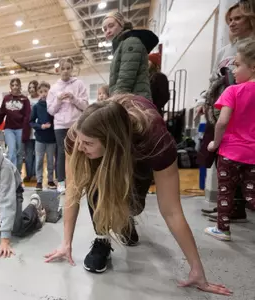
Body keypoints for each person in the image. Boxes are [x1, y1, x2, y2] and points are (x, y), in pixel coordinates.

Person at [44, 94, 231, 296]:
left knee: (133, 205)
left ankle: (125, 220)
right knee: (97, 184)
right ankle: (102, 239)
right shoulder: (78, 136)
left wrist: (197, 269)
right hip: (116, 135)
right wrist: (66, 243)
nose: (80, 147)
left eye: (87, 143)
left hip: (135, 146)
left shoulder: (155, 141)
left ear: (111, 142)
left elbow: (172, 210)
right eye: (80, 140)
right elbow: (73, 188)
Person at [197, 2, 255, 222]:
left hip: (245, 113)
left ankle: (235, 208)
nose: (232, 22)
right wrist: (204, 101)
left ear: (250, 19)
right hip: (223, 107)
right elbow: (213, 79)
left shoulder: (252, 49)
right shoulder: (225, 51)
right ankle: (227, 206)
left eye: (238, 18)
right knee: (222, 159)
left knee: (244, 164)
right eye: (230, 19)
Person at [204, 38, 255, 241]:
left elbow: (222, 122)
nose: (233, 71)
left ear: (252, 66)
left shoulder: (232, 91)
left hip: (229, 152)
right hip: (252, 154)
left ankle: (223, 230)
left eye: (237, 65)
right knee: (251, 194)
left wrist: (215, 143)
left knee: (226, 192)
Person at [47, 57, 88, 194]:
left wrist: (73, 98)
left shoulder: (79, 84)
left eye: (68, 68)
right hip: (59, 126)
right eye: (63, 68)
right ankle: (61, 181)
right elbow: (51, 110)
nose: (65, 71)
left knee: (79, 151)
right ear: (58, 70)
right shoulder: (53, 89)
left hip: (76, 124)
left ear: (72, 68)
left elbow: (85, 105)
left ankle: (78, 180)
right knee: (61, 153)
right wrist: (58, 100)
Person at [102, 12, 158, 99]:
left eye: (111, 26)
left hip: (133, 102)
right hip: (129, 100)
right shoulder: (120, 46)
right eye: (105, 29)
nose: (108, 31)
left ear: (122, 24)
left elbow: (126, 78)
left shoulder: (130, 42)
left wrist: (114, 101)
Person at [0, 78, 31, 168]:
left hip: (20, 129)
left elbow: (27, 116)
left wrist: (26, 131)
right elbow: (1, 113)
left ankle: (18, 174)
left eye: (17, 85)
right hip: (9, 129)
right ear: (10, 87)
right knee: (12, 151)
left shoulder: (25, 99)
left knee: (20, 152)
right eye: (13, 85)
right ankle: (12, 174)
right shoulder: (6, 98)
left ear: (20, 86)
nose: (15, 87)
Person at [30, 81, 57, 191]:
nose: (44, 94)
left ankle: (50, 180)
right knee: (39, 160)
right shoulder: (36, 107)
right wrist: (41, 126)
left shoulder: (54, 105)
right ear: (38, 92)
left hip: (52, 139)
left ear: (49, 92)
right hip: (40, 138)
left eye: (46, 91)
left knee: (51, 161)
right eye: (41, 92)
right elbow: (31, 122)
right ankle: (39, 181)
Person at [21, 80, 39, 182]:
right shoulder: (26, 100)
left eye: (34, 87)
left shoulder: (41, 99)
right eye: (30, 87)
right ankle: (28, 174)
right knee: (28, 154)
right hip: (28, 131)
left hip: (38, 131)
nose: (32, 89)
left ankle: (35, 174)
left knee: (37, 154)